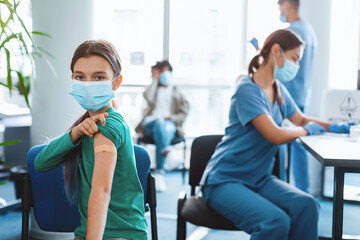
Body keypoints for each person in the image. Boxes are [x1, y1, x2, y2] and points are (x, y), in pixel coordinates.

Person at [200, 29, 351, 240]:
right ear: (277, 51)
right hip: (225, 181)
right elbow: (276, 135)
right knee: (275, 222)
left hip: (259, 179)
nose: (296, 66)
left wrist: (333, 125)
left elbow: (300, 119)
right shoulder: (247, 89)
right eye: (294, 59)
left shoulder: (277, 89)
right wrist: (306, 130)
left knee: (308, 206)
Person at [35, 40, 148, 240]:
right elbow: (41, 163)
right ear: (72, 78)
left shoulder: (107, 126)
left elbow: (101, 191)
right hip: (91, 231)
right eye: (80, 77)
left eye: (98, 77)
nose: (88, 84)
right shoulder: (86, 126)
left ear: (116, 82)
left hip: (120, 234)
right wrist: (74, 134)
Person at [278, 0, 318, 192]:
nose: (279, 10)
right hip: (301, 95)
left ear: (287, 5)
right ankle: (303, 190)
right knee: (297, 146)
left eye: (279, 6)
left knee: (286, 144)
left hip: (288, 96)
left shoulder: (292, 32)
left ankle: (288, 191)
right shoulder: (309, 30)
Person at [135, 60, 189, 191]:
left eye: (166, 72)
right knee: (159, 123)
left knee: (164, 125)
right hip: (150, 125)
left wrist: (171, 117)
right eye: (161, 72)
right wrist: (154, 79)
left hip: (169, 125)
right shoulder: (153, 90)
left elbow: (184, 113)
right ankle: (167, 154)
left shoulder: (177, 92)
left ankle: (159, 171)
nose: (164, 75)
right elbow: (147, 96)